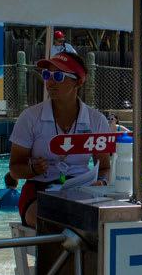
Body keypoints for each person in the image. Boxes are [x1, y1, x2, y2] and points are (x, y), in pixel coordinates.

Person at [9, 51, 114, 228]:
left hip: (82, 191)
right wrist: (33, 169)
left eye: (58, 76)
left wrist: (101, 182)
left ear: (79, 82)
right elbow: (14, 169)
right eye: (46, 75)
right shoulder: (29, 118)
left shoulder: (97, 121)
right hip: (38, 189)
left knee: (109, 221)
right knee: (54, 219)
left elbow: (104, 167)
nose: (50, 82)